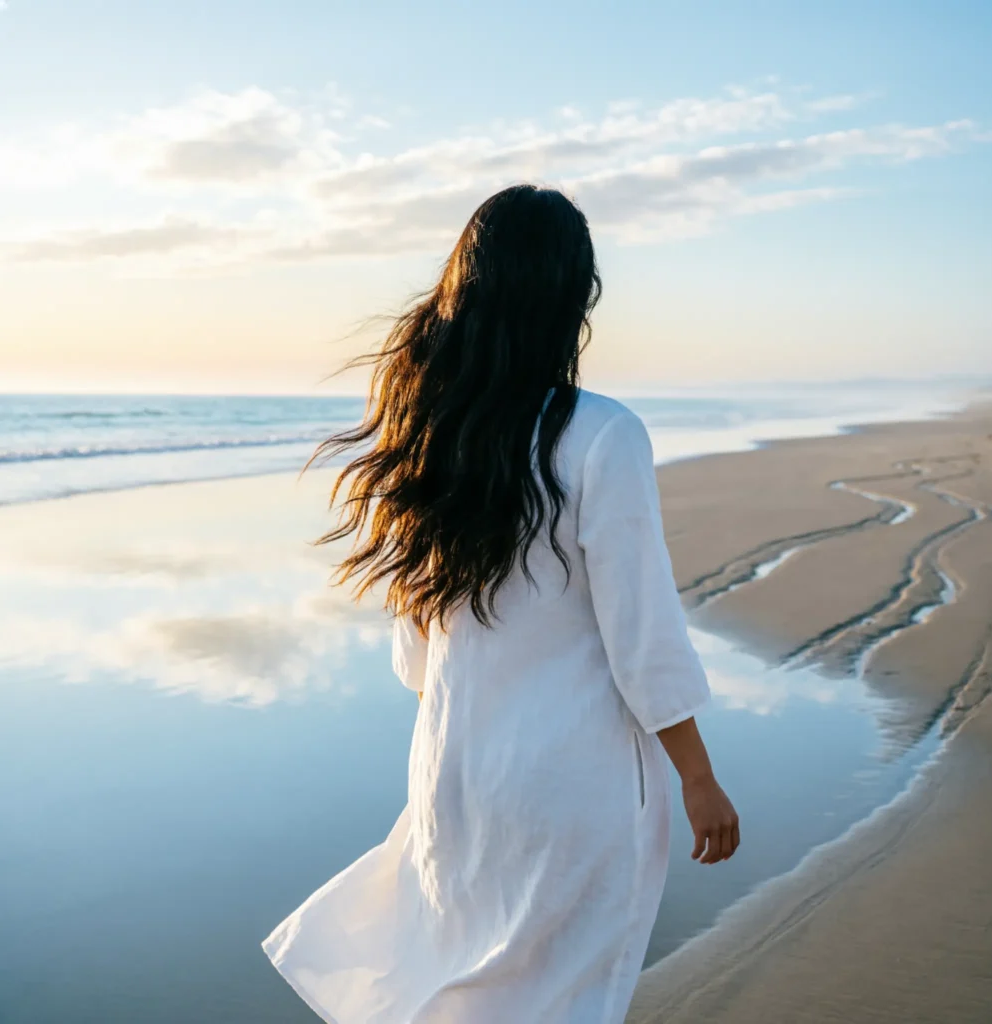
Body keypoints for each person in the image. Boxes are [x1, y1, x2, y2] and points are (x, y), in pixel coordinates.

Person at [262, 184, 739, 1024]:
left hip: (456, 775)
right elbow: (643, 637)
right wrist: (698, 777)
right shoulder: (605, 435)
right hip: (573, 780)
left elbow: (416, 657)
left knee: (461, 991)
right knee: (563, 1004)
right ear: (571, 299)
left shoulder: (435, 433)